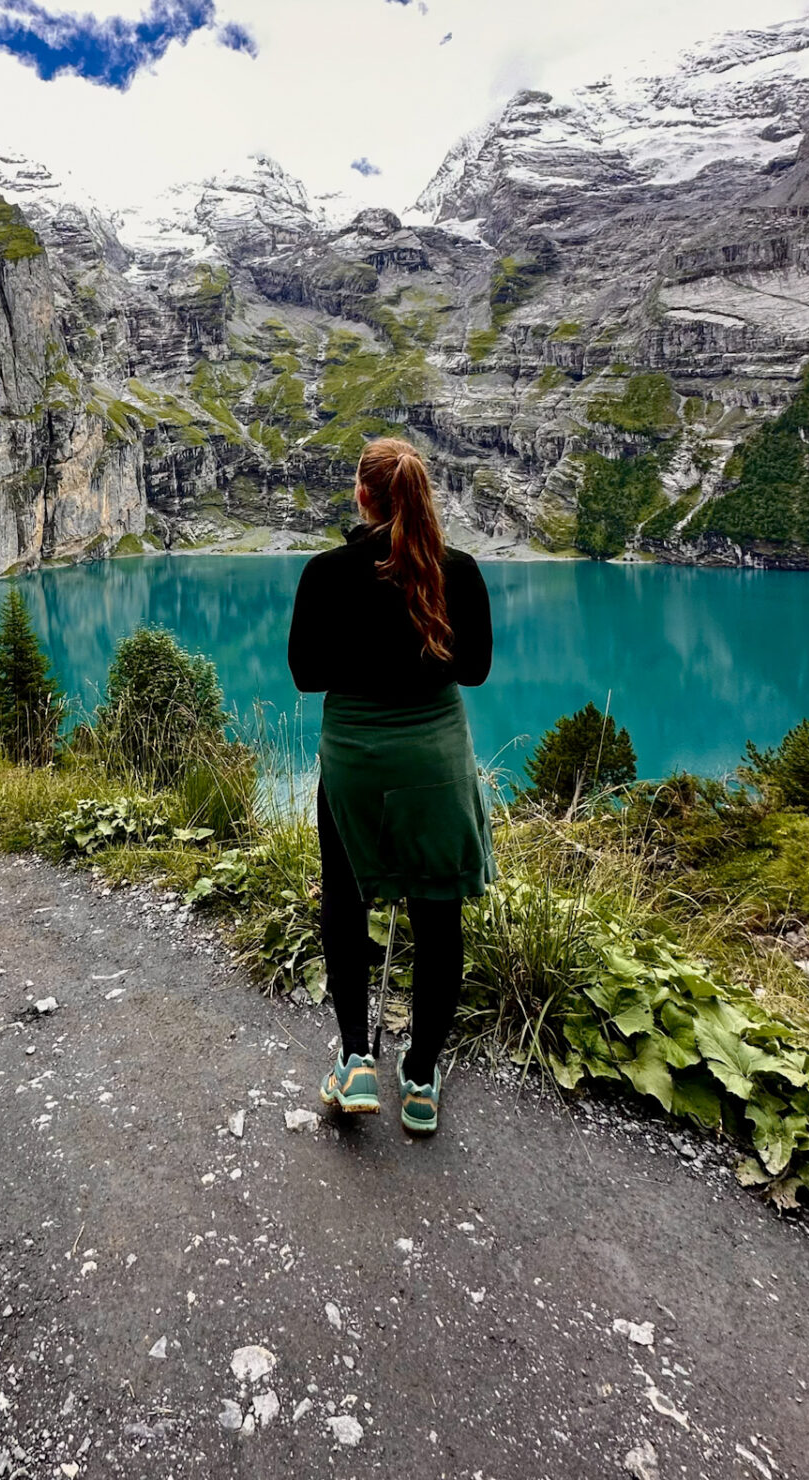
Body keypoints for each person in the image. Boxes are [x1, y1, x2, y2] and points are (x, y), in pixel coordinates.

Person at [287, 436, 494, 1135]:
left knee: (345, 904)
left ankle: (355, 1062)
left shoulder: (325, 573)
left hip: (357, 761)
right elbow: (474, 672)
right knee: (440, 917)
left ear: (362, 494)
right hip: (436, 761)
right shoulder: (457, 572)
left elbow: (307, 676)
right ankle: (423, 1078)